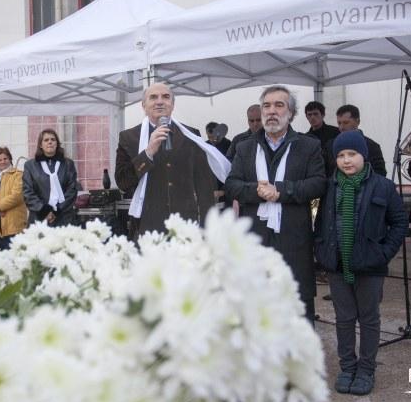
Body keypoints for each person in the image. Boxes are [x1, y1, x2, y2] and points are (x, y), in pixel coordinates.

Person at [314, 131, 407, 396]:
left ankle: (366, 370)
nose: (346, 161)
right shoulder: (328, 187)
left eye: (352, 154)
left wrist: (383, 253)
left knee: (368, 319)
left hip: (370, 265)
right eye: (341, 156)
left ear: (363, 156)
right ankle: (347, 367)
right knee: (343, 319)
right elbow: (318, 222)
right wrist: (321, 250)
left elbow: (399, 223)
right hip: (337, 264)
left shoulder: (382, 186)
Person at [225, 85, 326, 323]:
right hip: (255, 239)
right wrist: (258, 191)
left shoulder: (308, 146)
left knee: (297, 306)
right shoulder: (245, 147)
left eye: (279, 105)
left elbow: (318, 184)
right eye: (266, 106)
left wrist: (281, 191)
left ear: (291, 113)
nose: (272, 111)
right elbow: (231, 184)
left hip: (294, 238)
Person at [115, 83, 229, 235]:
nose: (160, 101)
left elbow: (204, 185)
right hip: (148, 225)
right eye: (153, 97)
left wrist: (207, 228)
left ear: (172, 104)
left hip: (187, 224)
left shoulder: (191, 134)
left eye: (166, 97)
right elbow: (123, 182)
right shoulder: (129, 137)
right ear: (144, 105)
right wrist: (147, 153)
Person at [23, 130, 79, 227]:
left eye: (53, 139)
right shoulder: (30, 166)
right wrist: (44, 211)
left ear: (57, 143)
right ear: (40, 145)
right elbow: (27, 192)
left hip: (63, 218)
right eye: (46, 140)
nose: (50, 142)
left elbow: (72, 189)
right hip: (39, 218)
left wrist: (56, 210)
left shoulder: (68, 164)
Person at [322, 105, 387, 178]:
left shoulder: (372, 146)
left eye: (346, 123)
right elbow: (324, 172)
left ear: (358, 122)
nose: (341, 127)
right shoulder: (329, 146)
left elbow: (380, 173)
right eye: (339, 123)